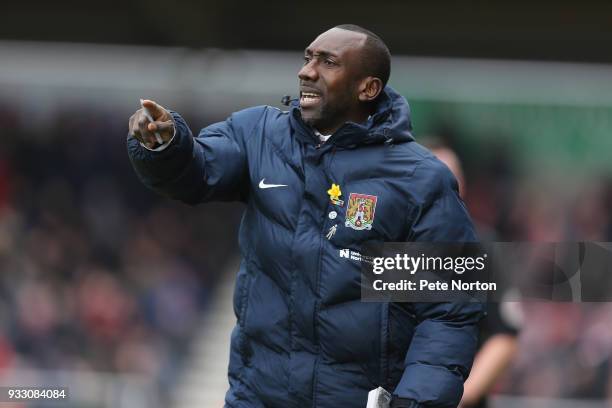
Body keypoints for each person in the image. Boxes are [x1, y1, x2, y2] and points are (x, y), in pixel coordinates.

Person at [127, 24, 483, 408]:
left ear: (368, 88)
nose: (307, 71)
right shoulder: (259, 135)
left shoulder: (418, 179)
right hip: (256, 398)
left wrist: (414, 403)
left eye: (327, 62)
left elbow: (447, 311)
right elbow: (196, 172)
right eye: (307, 58)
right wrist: (166, 146)